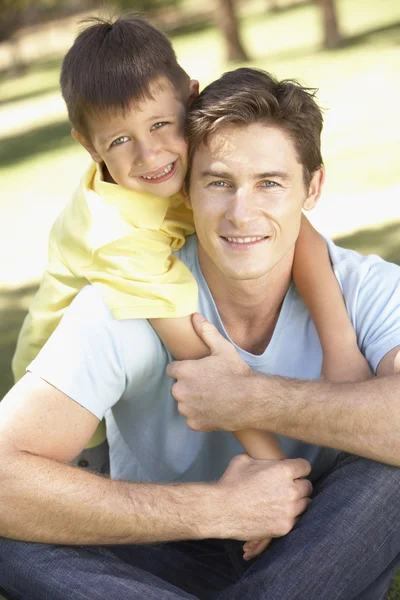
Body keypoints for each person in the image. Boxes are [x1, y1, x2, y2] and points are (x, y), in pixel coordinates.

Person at [0, 66, 399, 599]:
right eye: (218, 182)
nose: (241, 213)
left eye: (270, 183)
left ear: (314, 187)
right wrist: (221, 509)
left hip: (319, 540)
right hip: (161, 546)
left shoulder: (366, 288)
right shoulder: (131, 297)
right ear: (186, 187)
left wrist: (249, 400)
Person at [9, 14, 369, 478]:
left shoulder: (185, 173)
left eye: (160, 124)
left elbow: (299, 229)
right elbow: (201, 359)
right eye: (120, 140)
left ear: (191, 98)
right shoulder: (114, 237)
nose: (149, 154)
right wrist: (278, 470)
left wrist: (341, 350)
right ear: (88, 146)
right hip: (73, 416)